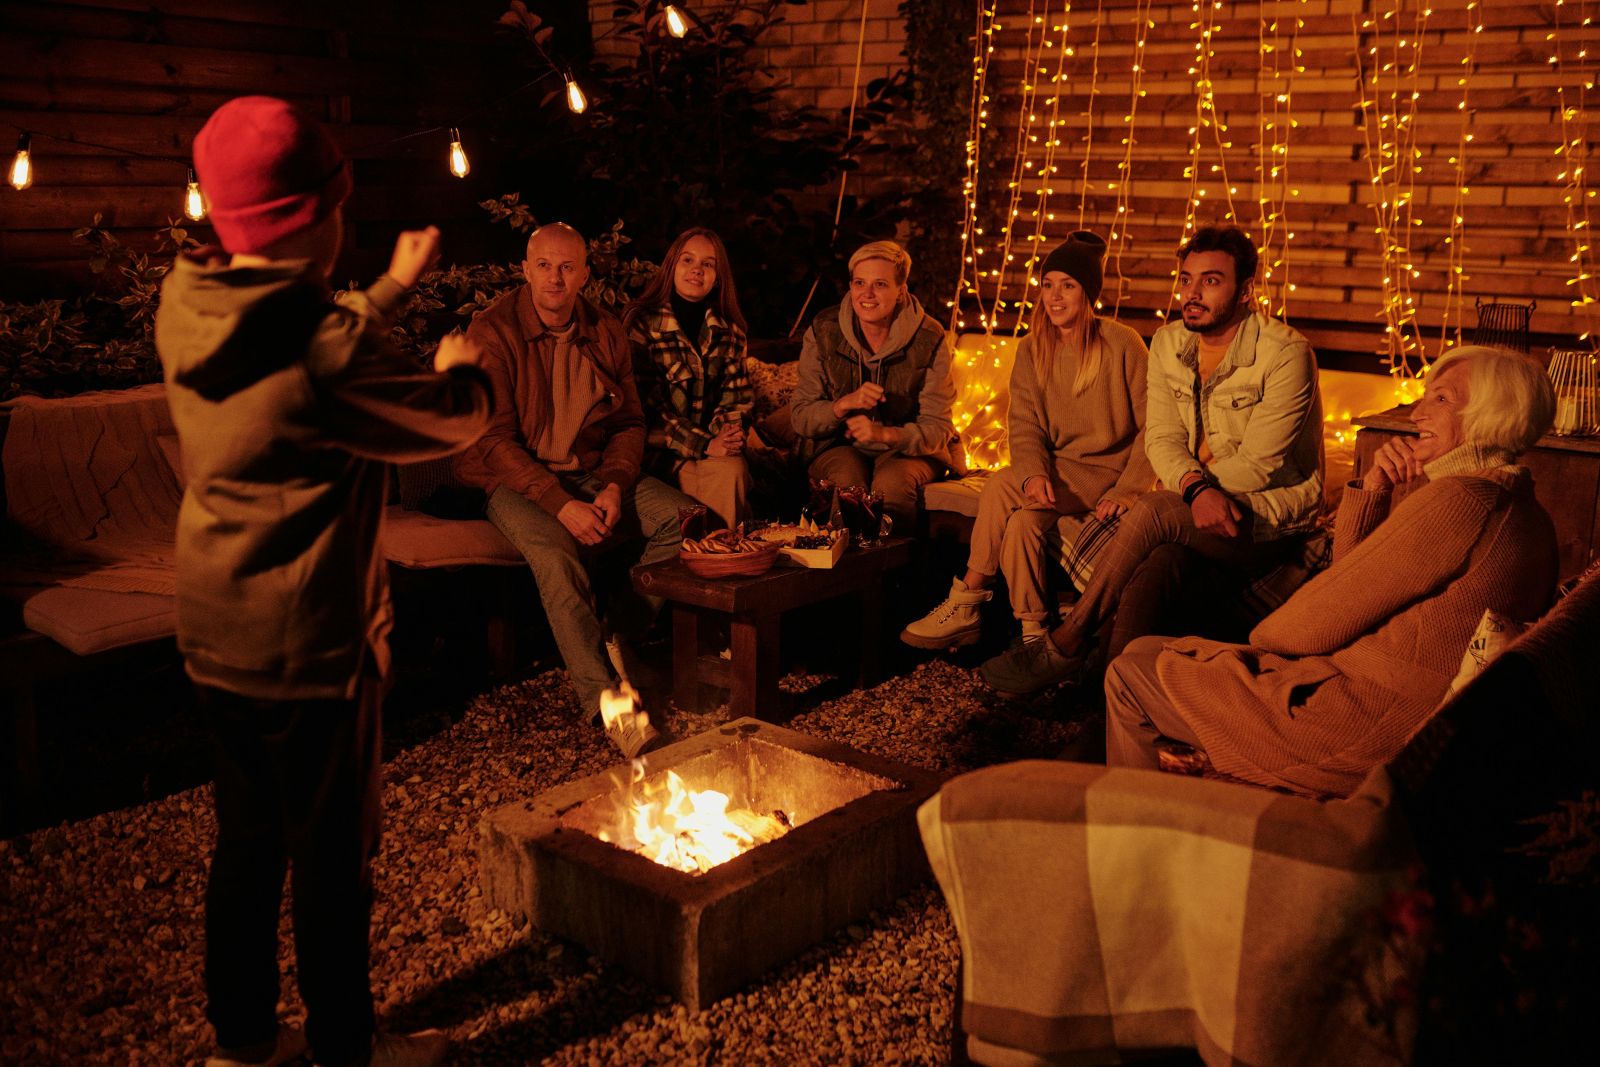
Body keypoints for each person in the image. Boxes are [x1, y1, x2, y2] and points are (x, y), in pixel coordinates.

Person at [158, 97, 492, 1067]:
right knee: (332, 860)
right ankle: (348, 1046)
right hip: (311, 640)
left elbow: (291, 330)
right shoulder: (330, 348)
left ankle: (246, 1042)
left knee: (247, 841)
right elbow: (448, 417)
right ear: (314, 216)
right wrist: (464, 368)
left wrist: (386, 290)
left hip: (215, 625)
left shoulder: (189, 298)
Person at [1102, 345, 1559, 797]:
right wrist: (1373, 488)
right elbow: (1354, 583)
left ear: (1490, 414)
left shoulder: (1461, 502)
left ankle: (1133, 838)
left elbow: (1304, 627)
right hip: (1405, 718)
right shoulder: (1525, 510)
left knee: (1132, 669)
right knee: (1160, 647)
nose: (1419, 412)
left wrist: (1254, 651)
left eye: (1441, 398)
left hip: (1359, 729)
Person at [980, 224, 1324, 696]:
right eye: (1186, 279)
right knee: (1155, 566)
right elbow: (1161, 436)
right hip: (1192, 503)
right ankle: (1104, 703)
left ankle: (1067, 640)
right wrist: (1190, 486)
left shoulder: (1285, 353)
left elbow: (1259, 463)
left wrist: (1187, 488)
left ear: (1246, 291)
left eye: (1211, 280)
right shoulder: (1168, 344)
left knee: (1155, 510)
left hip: (1266, 516)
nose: (1193, 293)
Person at [453, 222, 694, 744]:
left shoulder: (604, 330)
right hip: (509, 478)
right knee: (558, 558)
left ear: (585, 273)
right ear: (525, 269)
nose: (555, 278)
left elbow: (629, 422)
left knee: (686, 522)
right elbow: (492, 440)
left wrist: (613, 483)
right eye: (544, 266)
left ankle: (619, 631)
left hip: (586, 470)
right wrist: (560, 504)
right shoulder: (492, 331)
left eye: (567, 267)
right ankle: (609, 708)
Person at [900, 231, 1155, 650]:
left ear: (1087, 293)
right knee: (1021, 523)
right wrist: (1033, 472)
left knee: (1000, 484)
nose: (1054, 297)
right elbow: (1024, 425)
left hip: (1107, 471)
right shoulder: (1034, 348)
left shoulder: (1121, 343)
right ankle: (1036, 636)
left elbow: (1156, 425)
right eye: (1048, 285)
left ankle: (965, 599)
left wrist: (1129, 490)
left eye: (1067, 286)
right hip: (1059, 468)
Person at [789, 240, 958, 532]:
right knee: (846, 484)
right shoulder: (824, 330)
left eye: (880, 284)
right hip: (837, 445)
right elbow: (801, 417)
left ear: (901, 290)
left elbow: (937, 428)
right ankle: (846, 574)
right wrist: (842, 405)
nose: (866, 294)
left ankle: (893, 573)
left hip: (908, 450)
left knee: (890, 488)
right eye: (859, 283)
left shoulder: (930, 337)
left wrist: (886, 433)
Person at [623, 227, 755, 528]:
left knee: (731, 469)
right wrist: (705, 444)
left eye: (708, 264)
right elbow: (644, 410)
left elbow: (736, 400)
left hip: (714, 449)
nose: (697, 270)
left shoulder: (730, 332)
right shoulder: (642, 325)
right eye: (688, 260)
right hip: (659, 451)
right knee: (713, 481)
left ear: (718, 275)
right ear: (672, 266)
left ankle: (721, 561)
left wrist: (727, 436)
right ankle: (713, 558)